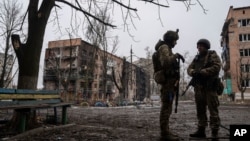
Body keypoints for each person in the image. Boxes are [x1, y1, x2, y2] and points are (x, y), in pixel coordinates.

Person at [187, 39, 222, 139]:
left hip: (210, 87)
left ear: (206, 47)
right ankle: (201, 129)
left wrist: (203, 71)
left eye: (201, 46)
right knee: (200, 110)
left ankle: (215, 131)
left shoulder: (212, 55)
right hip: (199, 88)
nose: (199, 48)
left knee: (213, 109)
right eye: (198, 46)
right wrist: (193, 72)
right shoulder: (197, 58)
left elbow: (217, 67)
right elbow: (189, 69)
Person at [154, 29, 184, 141]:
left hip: (170, 83)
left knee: (168, 108)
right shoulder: (164, 48)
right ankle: (165, 133)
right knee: (166, 108)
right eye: (175, 40)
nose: (176, 43)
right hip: (167, 84)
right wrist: (175, 56)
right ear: (171, 40)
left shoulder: (166, 48)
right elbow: (166, 62)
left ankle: (166, 130)